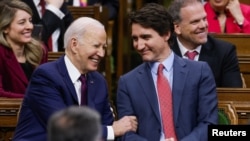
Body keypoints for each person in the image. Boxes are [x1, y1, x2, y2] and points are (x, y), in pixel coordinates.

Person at [13, 17, 137, 141]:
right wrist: (111, 131)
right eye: (96, 46)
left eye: (103, 47)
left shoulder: (99, 81)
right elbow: (63, 127)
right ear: (74, 45)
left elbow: (107, 123)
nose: (101, 53)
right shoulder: (46, 76)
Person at [116, 3, 218, 141]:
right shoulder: (127, 82)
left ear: (166, 34)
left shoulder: (199, 72)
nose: (139, 46)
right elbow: (125, 134)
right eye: (135, 39)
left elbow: (209, 124)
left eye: (146, 37)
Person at [168, 0, 243, 87]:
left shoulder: (224, 52)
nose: (203, 25)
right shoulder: (165, 50)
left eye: (204, 19)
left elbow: (232, 96)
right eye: (195, 22)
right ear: (177, 28)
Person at [0, 0, 47, 98]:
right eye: (22, 22)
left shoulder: (39, 50)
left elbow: (44, 87)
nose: (30, 26)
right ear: (5, 28)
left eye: (30, 21)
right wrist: (35, 99)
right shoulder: (1, 53)